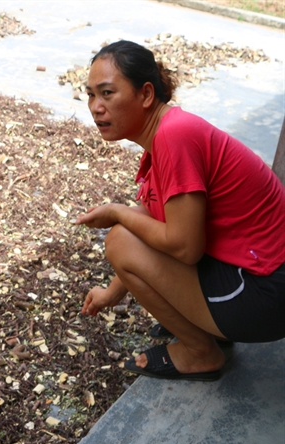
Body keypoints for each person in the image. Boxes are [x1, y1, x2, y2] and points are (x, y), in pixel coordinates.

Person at [76, 40, 285, 381]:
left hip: (267, 293)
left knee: (119, 239)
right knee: (133, 230)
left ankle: (200, 352)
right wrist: (110, 294)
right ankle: (210, 330)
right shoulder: (167, 134)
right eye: (90, 95)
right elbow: (151, 222)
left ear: (145, 95)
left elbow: (185, 248)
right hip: (261, 279)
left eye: (107, 93)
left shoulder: (175, 137)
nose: (96, 107)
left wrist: (116, 212)